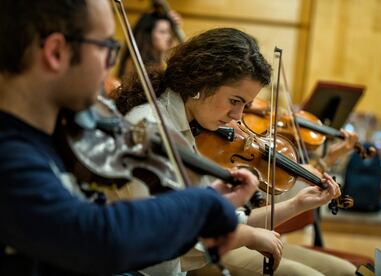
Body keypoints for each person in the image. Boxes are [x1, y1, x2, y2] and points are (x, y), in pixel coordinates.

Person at [0, 1, 260, 275]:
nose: (112, 62)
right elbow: (99, 237)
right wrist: (202, 204)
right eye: (106, 47)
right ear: (56, 52)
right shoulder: (10, 155)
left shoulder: (55, 140)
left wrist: (205, 205)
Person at [112, 27, 355, 275]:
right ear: (202, 80)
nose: (238, 116)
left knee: (344, 272)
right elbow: (166, 237)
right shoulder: (150, 128)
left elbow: (220, 218)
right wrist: (248, 236)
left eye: (245, 105)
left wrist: (297, 204)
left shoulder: (190, 128)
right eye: (234, 101)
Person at [117, 10, 182, 79]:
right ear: (148, 35)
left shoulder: (161, 61)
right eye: (163, 32)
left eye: (170, 32)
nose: (169, 37)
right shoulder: (135, 63)